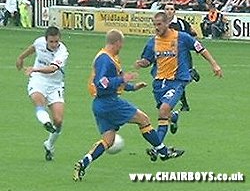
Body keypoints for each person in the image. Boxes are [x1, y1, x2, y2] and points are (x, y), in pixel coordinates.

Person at [73, 29, 184, 181]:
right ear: (117, 42)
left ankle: (83, 163)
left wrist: (133, 86)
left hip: (99, 105)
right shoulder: (105, 59)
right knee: (144, 120)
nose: (122, 47)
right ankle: (163, 152)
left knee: (108, 141)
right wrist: (122, 79)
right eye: (121, 44)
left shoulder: (111, 57)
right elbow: (102, 83)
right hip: (110, 102)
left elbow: (117, 80)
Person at [135, 12, 223, 161]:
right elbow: (147, 60)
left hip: (177, 81)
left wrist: (214, 64)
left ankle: (158, 149)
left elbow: (200, 48)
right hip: (158, 83)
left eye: (159, 24)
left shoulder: (182, 37)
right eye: (154, 25)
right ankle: (173, 117)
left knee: (163, 111)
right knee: (165, 114)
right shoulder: (152, 42)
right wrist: (141, 63)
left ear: (167, 23)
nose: (156, 28)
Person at [16, 26, 69, 161]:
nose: (54, 44)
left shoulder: (62, 52)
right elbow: (33, 48)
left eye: (56, 41)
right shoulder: (39, 42)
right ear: (46, 40)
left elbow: (52, 69)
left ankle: (49, 144)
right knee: (38, 101)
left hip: (55, 85)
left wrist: (35, 68)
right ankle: (46, 122)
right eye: (51, 42)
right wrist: (21, 58)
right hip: (38, 80)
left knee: (58, 120)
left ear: (59, 40)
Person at [164, 2, 200, 112]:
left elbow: (191, 36)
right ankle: (184, 104)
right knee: (175, 80)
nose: (169, 11)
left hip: (183, 56)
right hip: (169, 56)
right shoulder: (162, 24)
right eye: (167, 9)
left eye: (171, 9)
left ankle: (190, 74)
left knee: (179, 80)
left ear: (175, 11)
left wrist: (197, 48)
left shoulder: (181, 23)